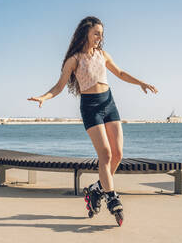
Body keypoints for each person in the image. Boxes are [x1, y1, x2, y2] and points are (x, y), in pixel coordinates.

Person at [27, 16, 158, 226]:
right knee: (105, 154)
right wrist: (43, 97)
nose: (99, 37)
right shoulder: (75, 59)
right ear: (86, 32)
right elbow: (59, 86)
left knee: (118, 154)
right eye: (96, 33)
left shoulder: (103, 55)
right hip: (90, 108)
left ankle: (97, 190)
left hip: (110, 104)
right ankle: (112, 197)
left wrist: (140, 82)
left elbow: (121, 73)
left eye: (101, 34)